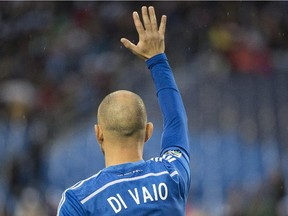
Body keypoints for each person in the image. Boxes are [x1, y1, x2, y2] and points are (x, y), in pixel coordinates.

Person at [57, 6, 190, 215]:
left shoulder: (79, 200)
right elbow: (177, 121)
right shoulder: (171, 174)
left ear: (98, 133)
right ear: (148, 132)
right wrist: (157, 59)